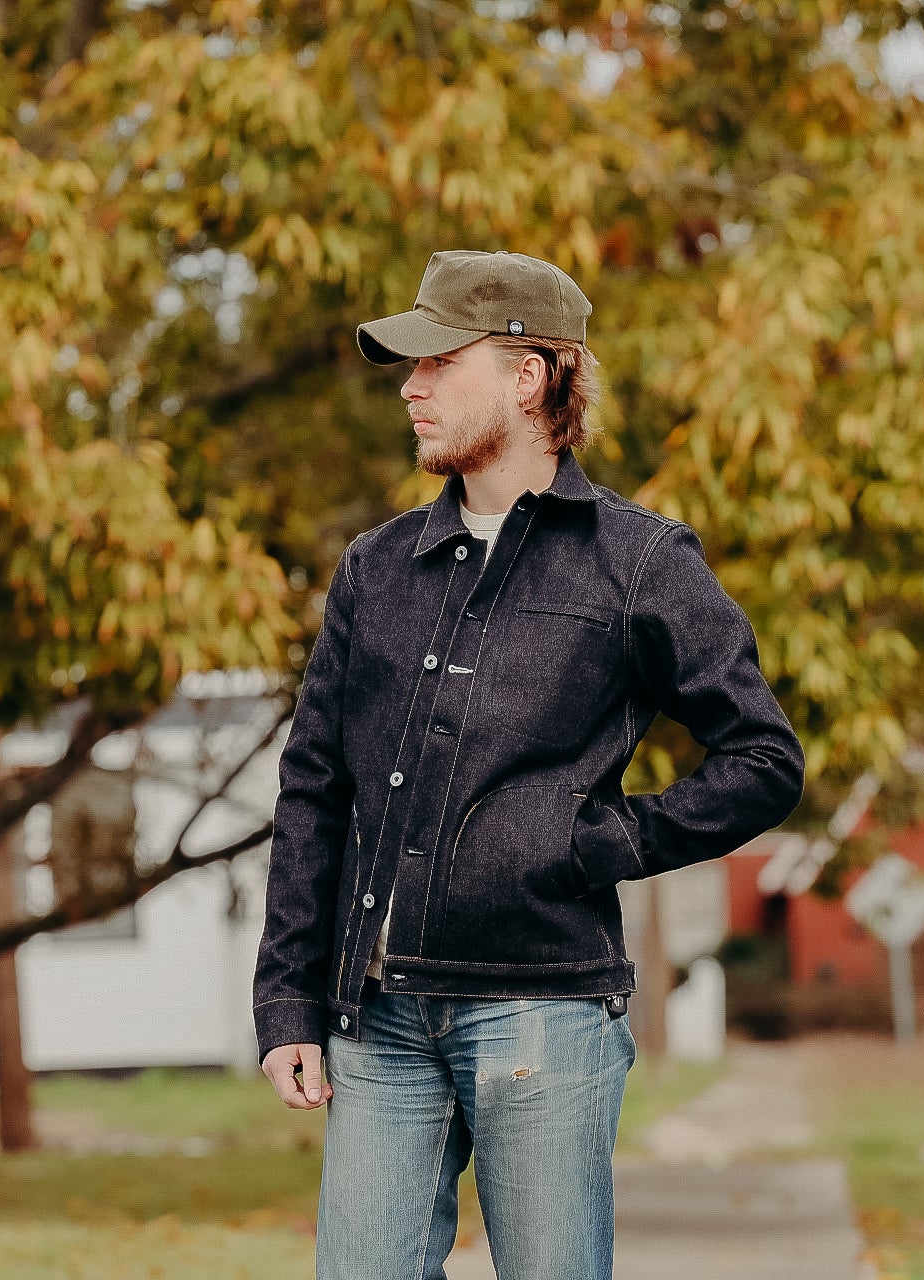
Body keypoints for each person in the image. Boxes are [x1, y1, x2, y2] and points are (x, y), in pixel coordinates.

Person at [252, 248, 805, 1279]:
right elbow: (315, 788)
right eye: (408, 366)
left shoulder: (639, 560)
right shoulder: (377, 567)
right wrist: (288, 998)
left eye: (437, 361)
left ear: (528, 374)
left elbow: (764, 757)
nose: (411, 386)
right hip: (376, 1017)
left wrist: (602, 837)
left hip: (542, 1014)